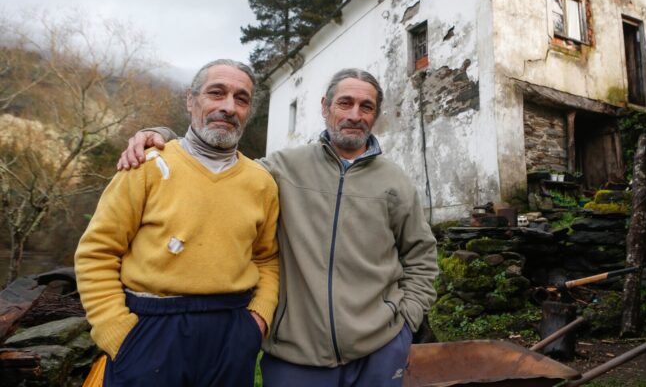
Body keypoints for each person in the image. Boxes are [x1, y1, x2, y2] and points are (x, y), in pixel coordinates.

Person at [117, 68, 438, 387]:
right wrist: (163, 137)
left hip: (378, 352)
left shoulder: (395, 181)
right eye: (345, 103)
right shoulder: (282, 167)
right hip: (295, 356)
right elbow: (215, 162)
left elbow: (421, 256)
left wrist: (406, 321)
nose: (355, 114)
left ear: (375, 115)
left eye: (366, 107)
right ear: (326, 107)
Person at [75, 59, 279, 386]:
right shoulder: (146, 166)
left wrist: (257, 321)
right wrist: (117, 332)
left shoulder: (261, 182)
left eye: (241, 99)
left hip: (232, 332)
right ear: (191, 99)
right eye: (217, 93)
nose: (229, 106)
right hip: (149, 331)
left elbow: (267, 258)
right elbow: (97, 253)